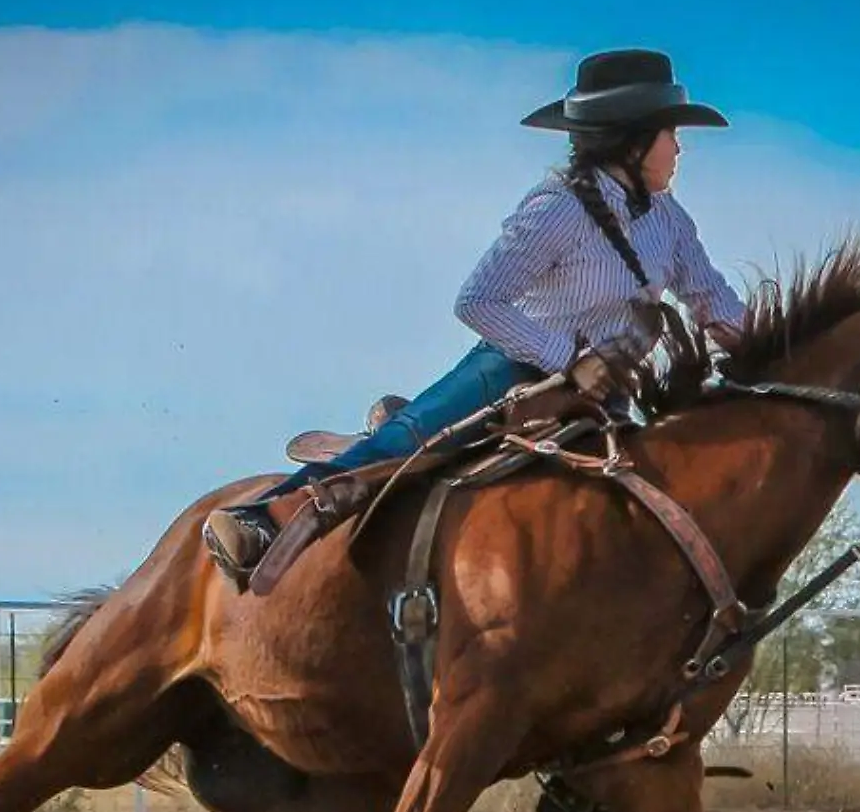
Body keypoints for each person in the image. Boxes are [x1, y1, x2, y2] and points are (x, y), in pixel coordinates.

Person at [202, 48, 750, 583]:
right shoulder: (558, 207)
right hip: (512, 372)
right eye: (670, 132)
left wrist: (784, 355)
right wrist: (570, 361)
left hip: (607, 399)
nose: (680, 147)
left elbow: (714, 303)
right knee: (403, 446)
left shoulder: (671, 222)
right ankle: (263, 520)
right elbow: (477, 301)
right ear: (633, 141)